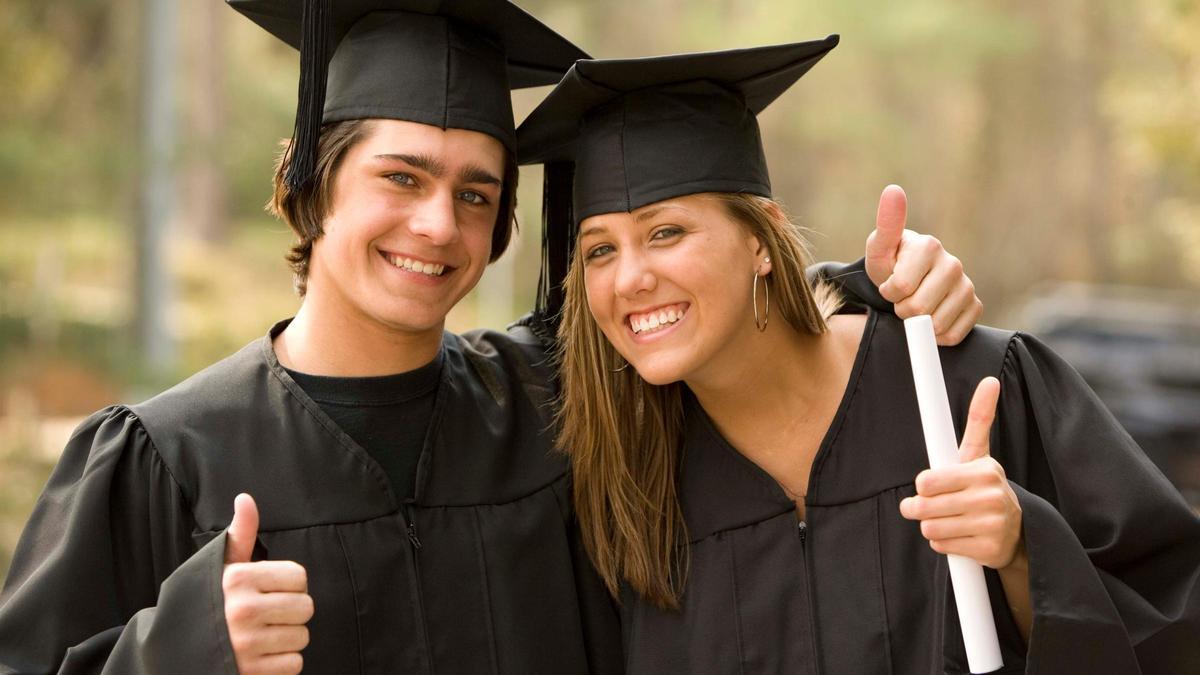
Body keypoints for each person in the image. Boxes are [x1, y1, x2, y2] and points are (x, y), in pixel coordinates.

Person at [0, 5, 982, 674]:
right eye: (402, 178)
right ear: (309, 181)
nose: (439, 224)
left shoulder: (551, 405)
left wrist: (863, 290)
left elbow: (700, 324)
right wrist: (166, 655)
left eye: (477, 193)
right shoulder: (163, 460)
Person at [521, 37, 1200, 673]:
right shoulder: (628, 482)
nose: (631, 277)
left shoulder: (965, 386)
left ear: (762, 239)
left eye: (665, 231)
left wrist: (1024, 548)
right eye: (600, 250)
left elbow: (1171, 619)